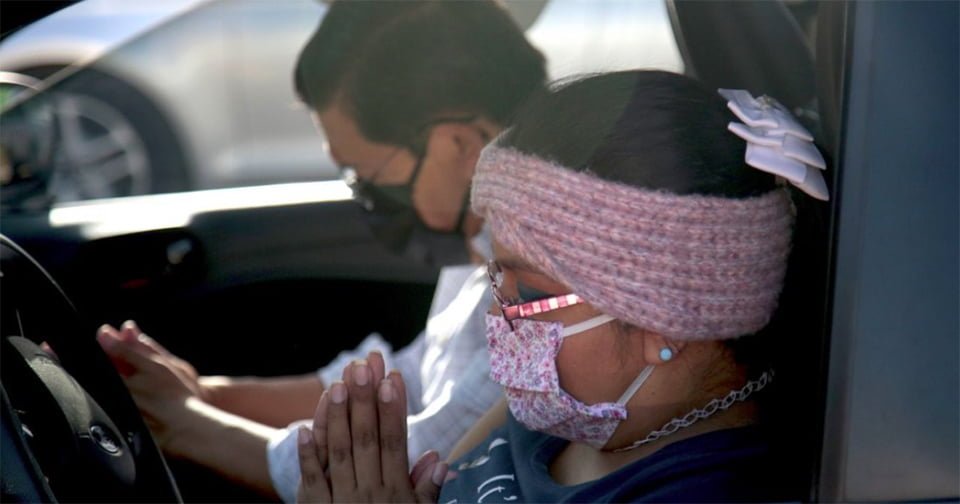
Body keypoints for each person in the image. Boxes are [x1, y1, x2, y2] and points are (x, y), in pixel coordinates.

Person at [296, 69, 830, 502]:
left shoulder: (703, 492)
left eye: (528, 295)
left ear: (664, 321)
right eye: (494, 279)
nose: (497, 317)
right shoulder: (562, 414)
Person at [96, 1, 546, 501]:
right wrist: (203, 396)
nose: (364, 195)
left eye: (366, 175)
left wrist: (184, 425)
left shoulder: (544, 279)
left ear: (458, 144)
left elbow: (416, 463)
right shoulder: (483, 231)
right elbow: (416, 378)